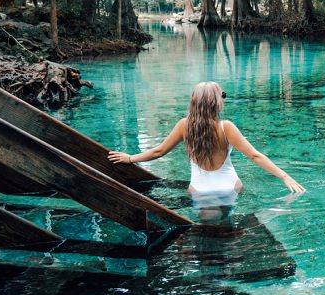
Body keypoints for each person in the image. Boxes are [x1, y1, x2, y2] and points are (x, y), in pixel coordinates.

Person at [107, 81, 305, 206]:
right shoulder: (226, 127)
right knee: (229, 228)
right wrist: (284, 176)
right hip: (230, 187)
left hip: (200, 190)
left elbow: (159, 151)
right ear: (216, 103)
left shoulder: (184, 126)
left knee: (208, 232)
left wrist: (130, 158)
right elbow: (254, 155)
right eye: (222, 96)